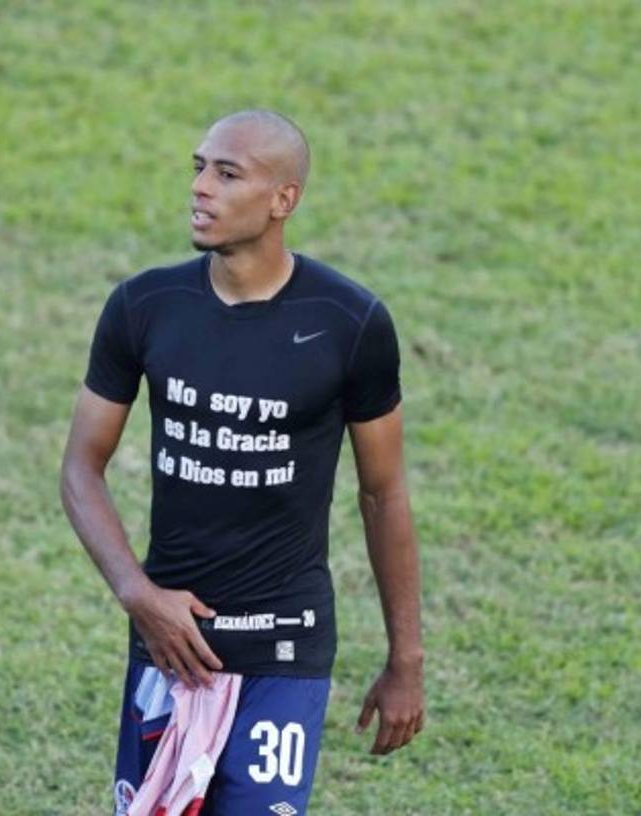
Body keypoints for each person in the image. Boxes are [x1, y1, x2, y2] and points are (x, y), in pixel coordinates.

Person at [61, 110, 425, 814]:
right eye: (198, 167)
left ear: (282, 200)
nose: (201, 187)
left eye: (227, 174)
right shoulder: (144, 306)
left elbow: (383, 495)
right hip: (169, 643)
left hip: (285, 647)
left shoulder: (349, 324)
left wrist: (405, 659)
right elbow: (80, 467)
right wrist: (138, 595)